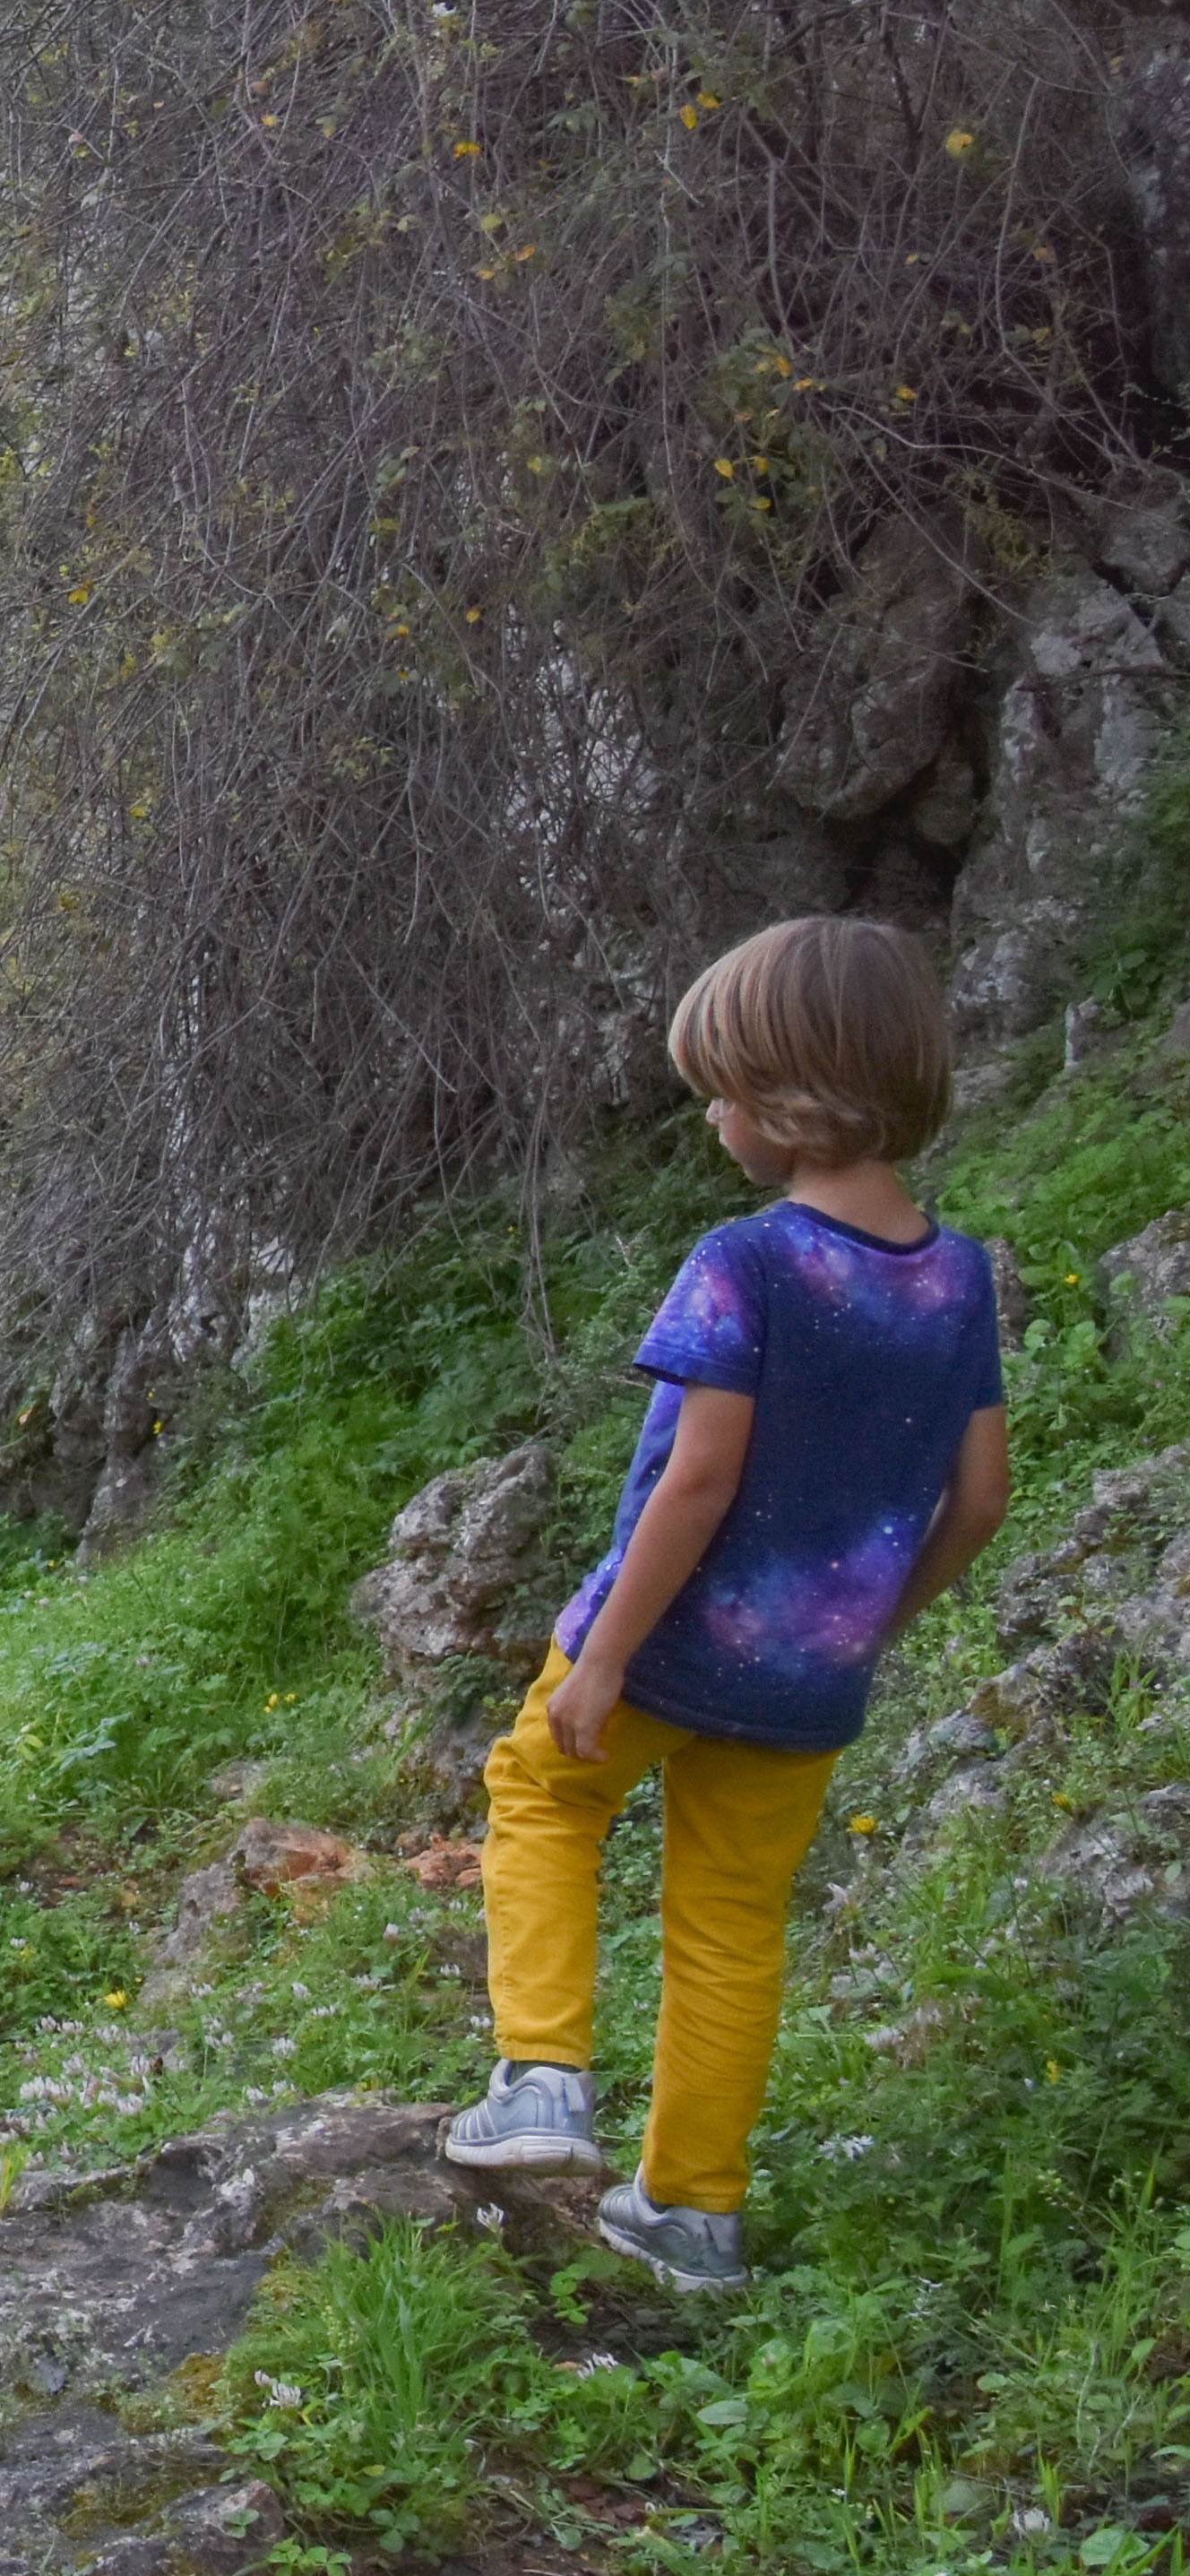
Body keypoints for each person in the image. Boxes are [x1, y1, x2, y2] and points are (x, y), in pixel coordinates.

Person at [445, 918, 1009, 2289]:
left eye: (728, 1088)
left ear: (794, 1099)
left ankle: (540, 2084)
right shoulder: (959, 1277)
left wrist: (601, 1662)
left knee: (541, 1794)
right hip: (809, 1685)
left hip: (669, 1639)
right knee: (731, 1921)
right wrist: (869, 1627)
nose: (713, 1114)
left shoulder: (749, 1261)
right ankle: (691, 2214)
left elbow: (697, 1484)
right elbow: (981, 1498)